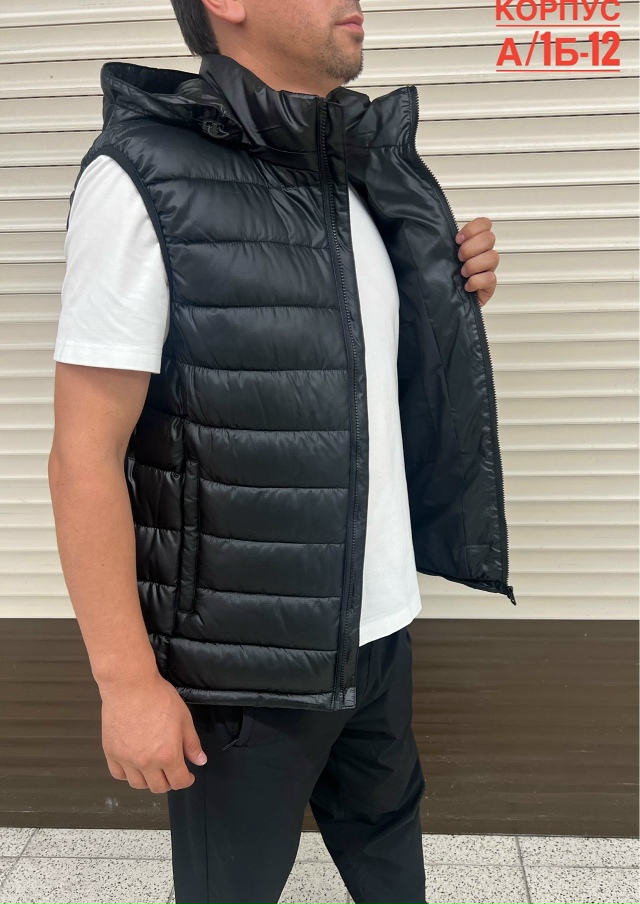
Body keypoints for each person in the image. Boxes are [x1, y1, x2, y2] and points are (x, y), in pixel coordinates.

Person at [48, 1, 513, 902]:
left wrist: (444, 293)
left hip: (378, 627)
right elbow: (83, 455)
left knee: (392, 861)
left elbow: (345, 370)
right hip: (240, 668)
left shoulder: (361, 165)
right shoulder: (144, 176)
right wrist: (126, 683)